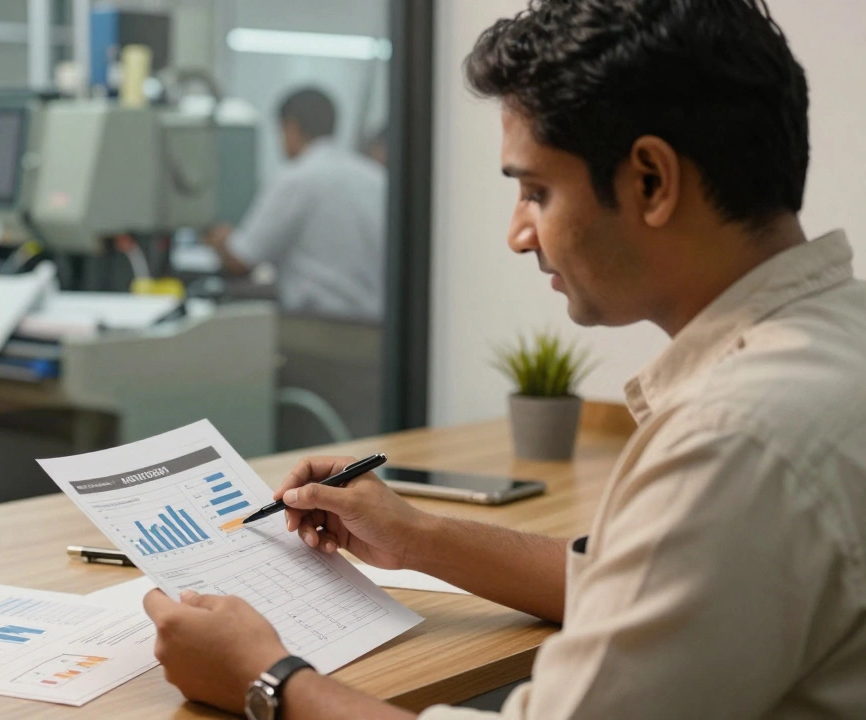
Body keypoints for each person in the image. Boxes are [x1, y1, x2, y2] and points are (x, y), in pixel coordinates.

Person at [142, 1, 866, 718]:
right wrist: (417, 535)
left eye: (535, 191)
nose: (520, 235)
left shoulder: (734, 439)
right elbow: (651, 589)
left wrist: (264, 677)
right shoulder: (838, 339)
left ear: (651, 180)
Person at [204, 88, 386, 322]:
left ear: (291, 128)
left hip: (318, 329)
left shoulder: (296, 179)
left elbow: (242, 261)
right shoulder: (374, 178)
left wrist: (221, 241)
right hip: (376, 330)